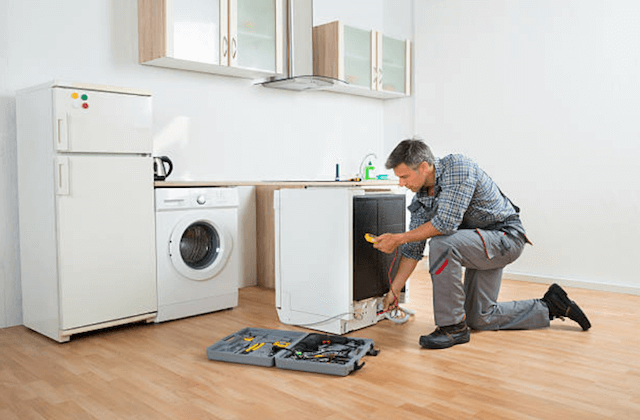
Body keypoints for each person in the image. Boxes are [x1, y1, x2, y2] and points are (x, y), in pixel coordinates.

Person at [372, 139, 591, 349]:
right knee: (480, 317)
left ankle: (452, 327)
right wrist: (395, 289)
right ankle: (551, 305)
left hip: (504, 238)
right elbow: (413, 248)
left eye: (404, 176)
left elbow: (445, 224)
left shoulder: (457, 167)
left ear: (424, 166)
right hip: (478, 243)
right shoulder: (420, 198)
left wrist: (398, 237)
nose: (401, 183)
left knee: (442, 243)